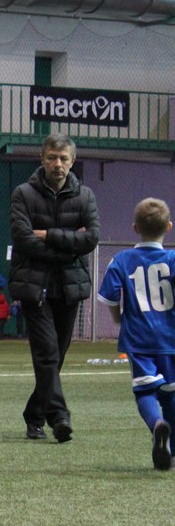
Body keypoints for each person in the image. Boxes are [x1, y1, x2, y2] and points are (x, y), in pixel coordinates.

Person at [9, 133, 100, 442]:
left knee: (56, 357)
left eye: (63, 158)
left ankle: (34, 415)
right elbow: (23, 239)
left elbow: (91, 239)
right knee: (47, 353)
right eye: (52, 157)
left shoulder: (86, 196)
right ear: (42, 159)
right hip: (34, 287)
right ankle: (60, 417)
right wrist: (69, 246)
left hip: (69, 288)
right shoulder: (23, 194)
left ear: (72, 162)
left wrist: (48, 235)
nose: (57, 163)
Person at [96, 197, 175, 470]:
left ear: (135, 228)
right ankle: (172, 453)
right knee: (172, 393)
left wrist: (118, 318)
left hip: (138, 338)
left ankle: (156, 424)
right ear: (168, 226)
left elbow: (109, 297)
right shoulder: (173, 259)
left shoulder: (122, 260)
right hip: (171, 338)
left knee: (144, 391)